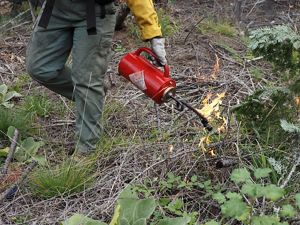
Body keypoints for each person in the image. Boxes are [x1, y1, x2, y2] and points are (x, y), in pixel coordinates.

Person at [26, 0, 167, 155]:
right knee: (39, 68)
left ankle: (86, 151)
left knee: (87, 81)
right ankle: (93, 94)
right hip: (55, 9)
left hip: (94, 13)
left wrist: (153, 33)